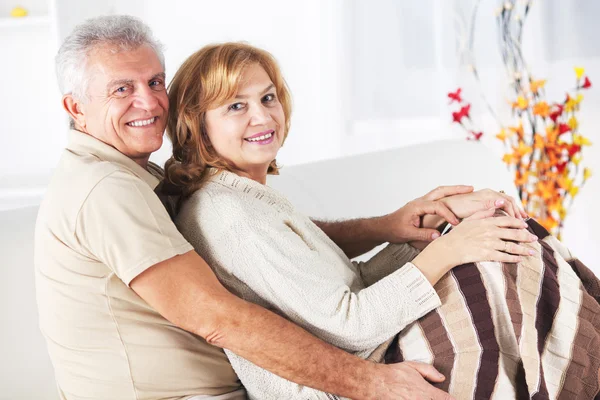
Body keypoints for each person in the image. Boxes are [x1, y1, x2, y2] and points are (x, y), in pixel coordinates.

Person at [35, 15, 518, 400]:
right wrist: (376, 386)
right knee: (509, 284)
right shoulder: (107, 189)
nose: (149, 102)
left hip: (279, 375)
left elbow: (279, 246)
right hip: (206, 395)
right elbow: (219, 316)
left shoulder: (144, 176)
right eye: (122, 88)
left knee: (506, 264)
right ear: (74, 108)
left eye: (155, 81)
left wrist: (397, 227)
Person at [164, 42, 600, 400]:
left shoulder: (249, 196)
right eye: (235, 106)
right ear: (196, 125)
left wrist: (432, 231)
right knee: (505, 263)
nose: (261, 117)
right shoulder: (227, 214)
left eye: (267, 97)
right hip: (350, 378)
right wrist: (451, 248)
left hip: (372, 347)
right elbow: (350, 326)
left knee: (507, 239)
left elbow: (353, 282)